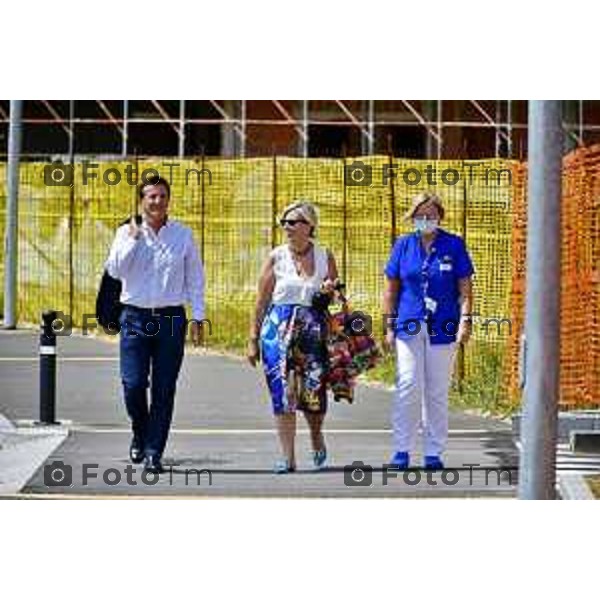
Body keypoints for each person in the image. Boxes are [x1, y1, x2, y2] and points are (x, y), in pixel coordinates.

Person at [105, 175, 205, 474]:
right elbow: (115, 269)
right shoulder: (126, 232)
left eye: (162, 196)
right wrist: (134, 239)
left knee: (164, 389)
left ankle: (153, 450)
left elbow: (195, 279)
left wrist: (198, 316)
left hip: (171, 318)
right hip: (135, 316)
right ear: (142, 201)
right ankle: (140, 430)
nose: (157, 202)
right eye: (151, 197)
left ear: (168, 200)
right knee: (133, 385)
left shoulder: (183, 235)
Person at [382, 192, 474, 470]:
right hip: (408, 323)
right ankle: (402, 449)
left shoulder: (454, 245)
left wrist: (466, 321)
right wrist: (388, 325)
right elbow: (390, 289)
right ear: (412, 217)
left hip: (444, 325)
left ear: (440, 216)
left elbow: (465, 288)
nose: (425, 220)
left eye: (431, 215)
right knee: (408, 384)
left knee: (436, 390)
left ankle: (434, 451)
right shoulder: (403, 245)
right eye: (420, 215)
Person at [247, 201, 339, 473]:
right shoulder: (276, 256)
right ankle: (287, 457)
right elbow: (261, 301)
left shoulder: (324, 255)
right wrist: (253, 338)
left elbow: (335, 293)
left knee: (313, 392)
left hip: (313, 328)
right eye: (283, 223)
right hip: (277, 329)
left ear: (309, 225)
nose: (287, 227)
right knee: (282, 392)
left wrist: (329, 291)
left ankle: (315, 435)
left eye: (293, 222)